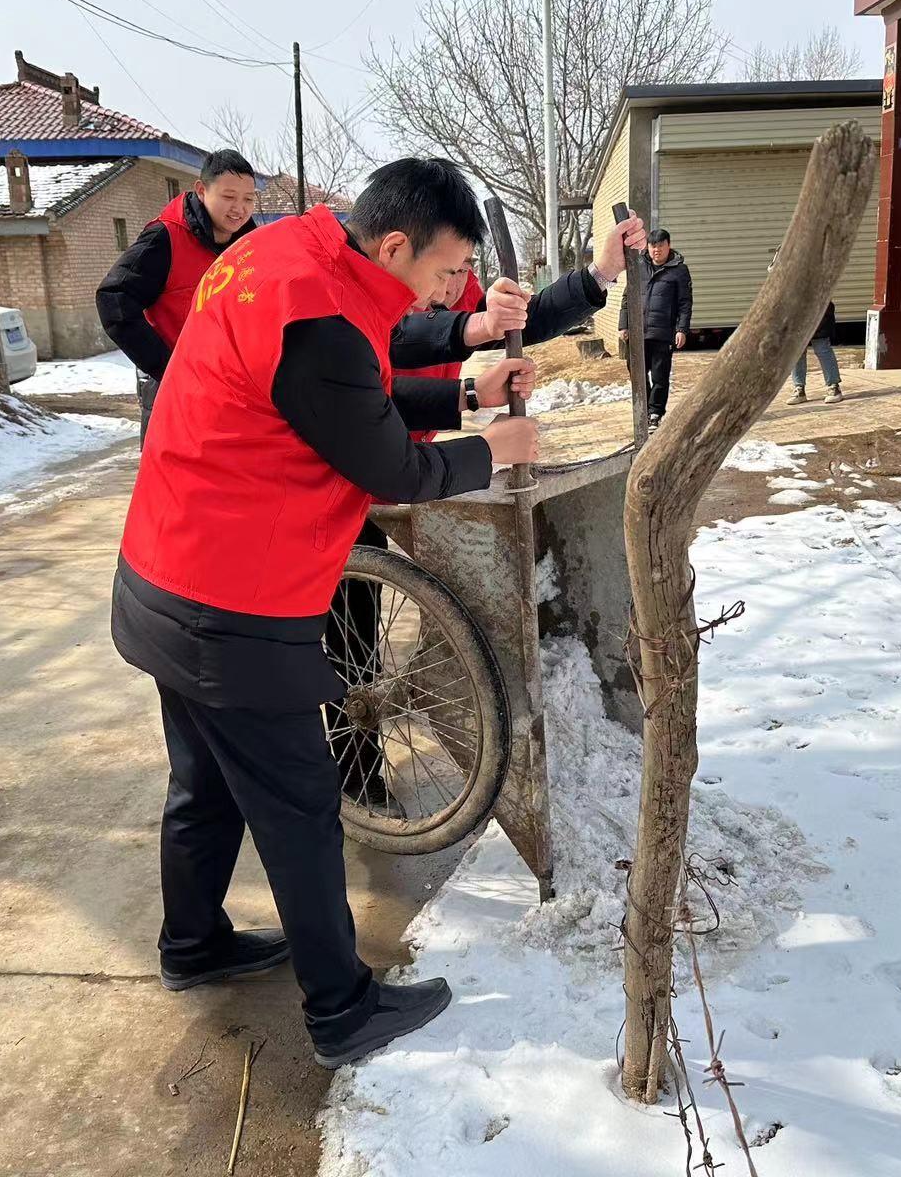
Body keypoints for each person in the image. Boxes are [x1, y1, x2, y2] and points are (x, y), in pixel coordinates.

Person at [110, 158, 540, 1069]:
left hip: (161, 570)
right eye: (440, 273)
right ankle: (341, 1010)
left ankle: (193, 947)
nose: (448, 293)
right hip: (229, 607)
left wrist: (469, 392)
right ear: (392, 245)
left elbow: (346, 402)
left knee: (205, 785)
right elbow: (389, 465)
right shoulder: (323, 317)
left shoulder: (288, 250)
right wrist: (489, 449)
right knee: (301, 810)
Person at [328, 214, 649, 813]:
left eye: (465, 270)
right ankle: (354, 765)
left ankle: (453, 708)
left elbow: (522, 322)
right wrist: (472, 337)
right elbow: (409, 338)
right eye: (449, 271)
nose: (455, 284)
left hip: (421, 461)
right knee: (352, 626)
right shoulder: (367, 294)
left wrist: (600, 271)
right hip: (360, 465)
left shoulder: (454, 279)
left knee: (443, 603)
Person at [94, 148, 260, 440]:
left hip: (229, 390)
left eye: (248, 199)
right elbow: (114, 298)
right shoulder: (165, 238)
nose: (239, 208)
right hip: (176, 389)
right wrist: (169, 367)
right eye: (229, 196)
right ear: (201, 190)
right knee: (177, 478)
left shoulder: (249, 245)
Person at [620, 228, 692, 427]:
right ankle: (645, 407)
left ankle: (655, 413)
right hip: (637, 331)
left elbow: (685, 303)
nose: (656, 250)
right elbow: (627, 297)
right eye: (653, 246)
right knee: (636, 372)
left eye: (661, 245)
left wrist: (681, 329)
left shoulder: (679, 270)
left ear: (668, 245)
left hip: (662, 332)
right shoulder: (639, 266)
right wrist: (623, 324)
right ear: (648, 248)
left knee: (660, 376)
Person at [786, 301, 844, 405]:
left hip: (819, 308)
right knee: (797, 352)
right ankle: (799, 389)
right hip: (796, 312)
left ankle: (834, 387)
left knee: (822, 349)